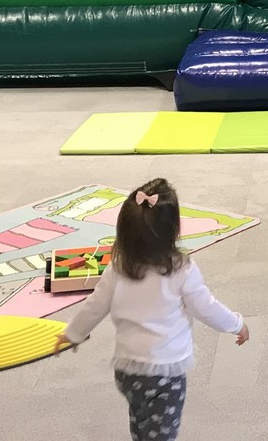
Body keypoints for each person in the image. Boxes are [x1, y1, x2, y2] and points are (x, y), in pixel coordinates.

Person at [55, 178, 249, 441]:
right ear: (173, 230)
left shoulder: (118, 267)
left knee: (141, 421)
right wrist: (237, 324)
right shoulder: (182, 270)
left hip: (128, 372)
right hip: (165, 373)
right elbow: (207, 308)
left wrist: (73, 333)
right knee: (160, 434)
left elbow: (95, 305)